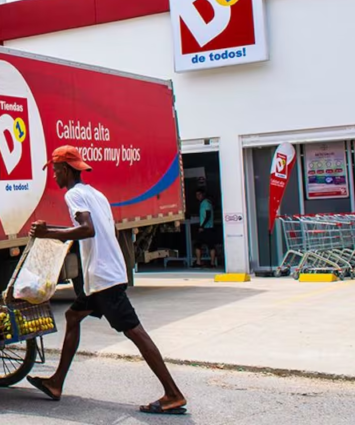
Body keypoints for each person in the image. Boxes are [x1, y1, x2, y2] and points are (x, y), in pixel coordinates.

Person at [26, 145, 187, 416]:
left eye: (55, 170)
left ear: (65, 169)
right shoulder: (96, 194)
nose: (53, 175)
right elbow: (105, 229)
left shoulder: (74, 195)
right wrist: (52, 231)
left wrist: (49, 233)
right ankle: (56, 383)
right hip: (102, 276)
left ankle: (173, 394)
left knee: (135, 332)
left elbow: (87, 229)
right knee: (73, 317)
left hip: (104, 279)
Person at [192, 189, 221, 268]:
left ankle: (212, 263)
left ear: (203, 194)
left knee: (210, 245)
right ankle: (199, 262)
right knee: (198, 244)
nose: (198, 196)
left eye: (199, 194)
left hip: (207, 228)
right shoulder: (203, 203)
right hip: (205, 227)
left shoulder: (206, 203)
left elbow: (208, 215)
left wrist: (202, 226)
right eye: (196, 195)